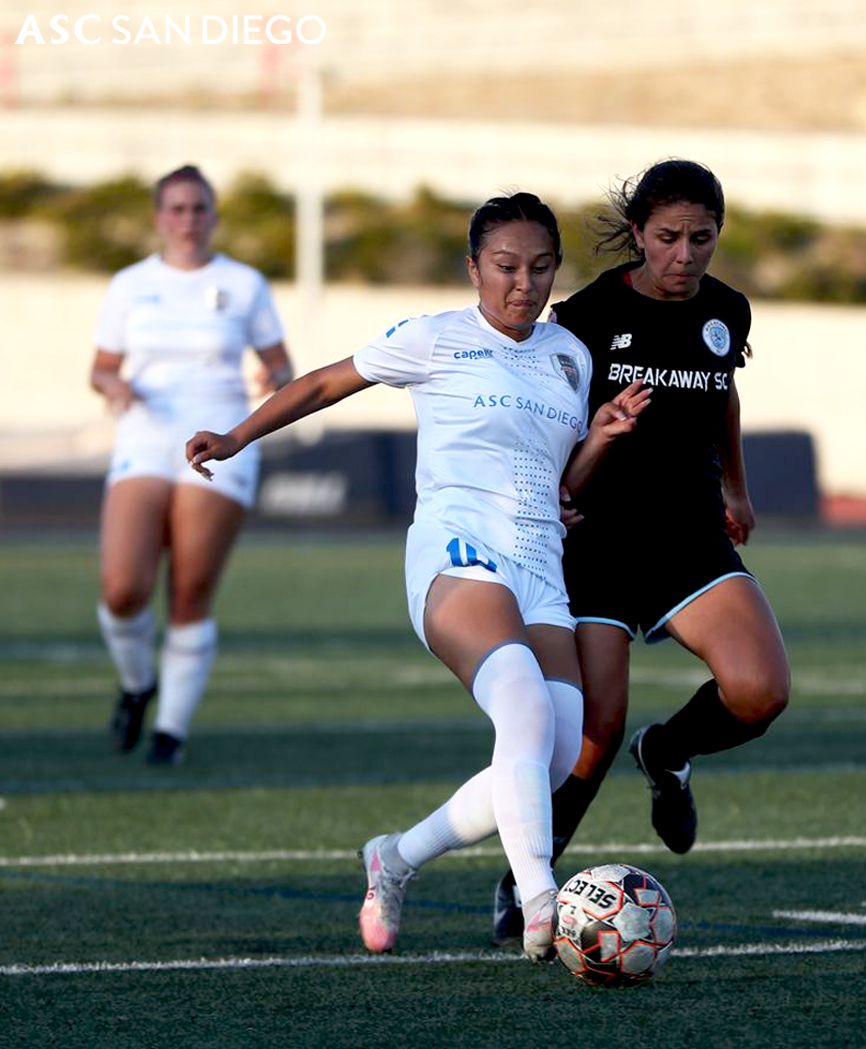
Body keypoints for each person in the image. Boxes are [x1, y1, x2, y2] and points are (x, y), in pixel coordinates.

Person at [185, 193, 650, 961]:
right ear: (473, 268)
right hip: (458, 551)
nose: (524, 283)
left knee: (556, 751)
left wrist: (598, 438)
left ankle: (394, 857)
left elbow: (564, 483)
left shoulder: (570, 356)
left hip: (541, 564)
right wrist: (238, 437)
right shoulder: (435, 338)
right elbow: (324, 383)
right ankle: (542, 900)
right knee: (523, 708)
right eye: (505, 266)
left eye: (540, 267)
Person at [492, 159, 791, 945]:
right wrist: (552, 488)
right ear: (637, 234)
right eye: (667, 237)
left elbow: (723, 395)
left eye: (701, 237)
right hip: (597, 539)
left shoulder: (727, 311)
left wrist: (735, 488)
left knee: (761, 691)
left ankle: (666, 750)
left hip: (689, 533)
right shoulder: (586, 316)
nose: (683, 255)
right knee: (591, 732)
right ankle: (529, 877)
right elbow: (541, 412)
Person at [91, 164, 294, 766]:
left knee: (190, 589)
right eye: (176, 209)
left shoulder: (245, 283)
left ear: (213, 216)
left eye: (199, 208)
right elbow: (101, 367)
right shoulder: (130, 284)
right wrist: (113, 386)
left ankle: (169, 733)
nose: (188, 220)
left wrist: (272, 377)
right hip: (145, 435)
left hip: (219, 438)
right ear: (159, 218)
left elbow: (282, 364)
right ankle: (136, 685)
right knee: (123, 589)